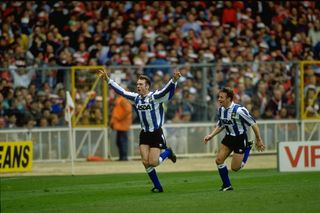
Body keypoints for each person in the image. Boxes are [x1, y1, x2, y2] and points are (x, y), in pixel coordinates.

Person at [97, 67, 182, 193]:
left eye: (141, 84)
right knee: (145, 162)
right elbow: (121, 91)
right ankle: (158, 186)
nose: (138, 86)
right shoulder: (135, 98)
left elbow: (166, 91)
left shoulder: (155, 97)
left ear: (147, 86)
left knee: (153, 162)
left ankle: (168, 152)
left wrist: (174, 80)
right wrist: (108, 80)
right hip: (144, 133)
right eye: (137, 84)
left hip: (156, 133)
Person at [203, 87, 265, 191]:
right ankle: (227, 185)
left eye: (222, 97)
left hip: (240, 139)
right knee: (219, 160)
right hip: (228, 137)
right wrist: (211, 135)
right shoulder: (221, 109)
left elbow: (253, 123)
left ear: (229, 98)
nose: (219, 99)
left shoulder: (239, 110)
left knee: (235, 168)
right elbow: (221, 124)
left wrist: (259, 139)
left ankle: (247, 148)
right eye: (219, 97)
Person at [110, 91, 133, 161]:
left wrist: (119, 117)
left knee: (122, 141)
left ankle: (123, 157)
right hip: (120, 125)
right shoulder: (120, 99)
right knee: (119, 141)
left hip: (122, 124)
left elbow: (128, 110)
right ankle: (122, 157)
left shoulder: (123, 99)